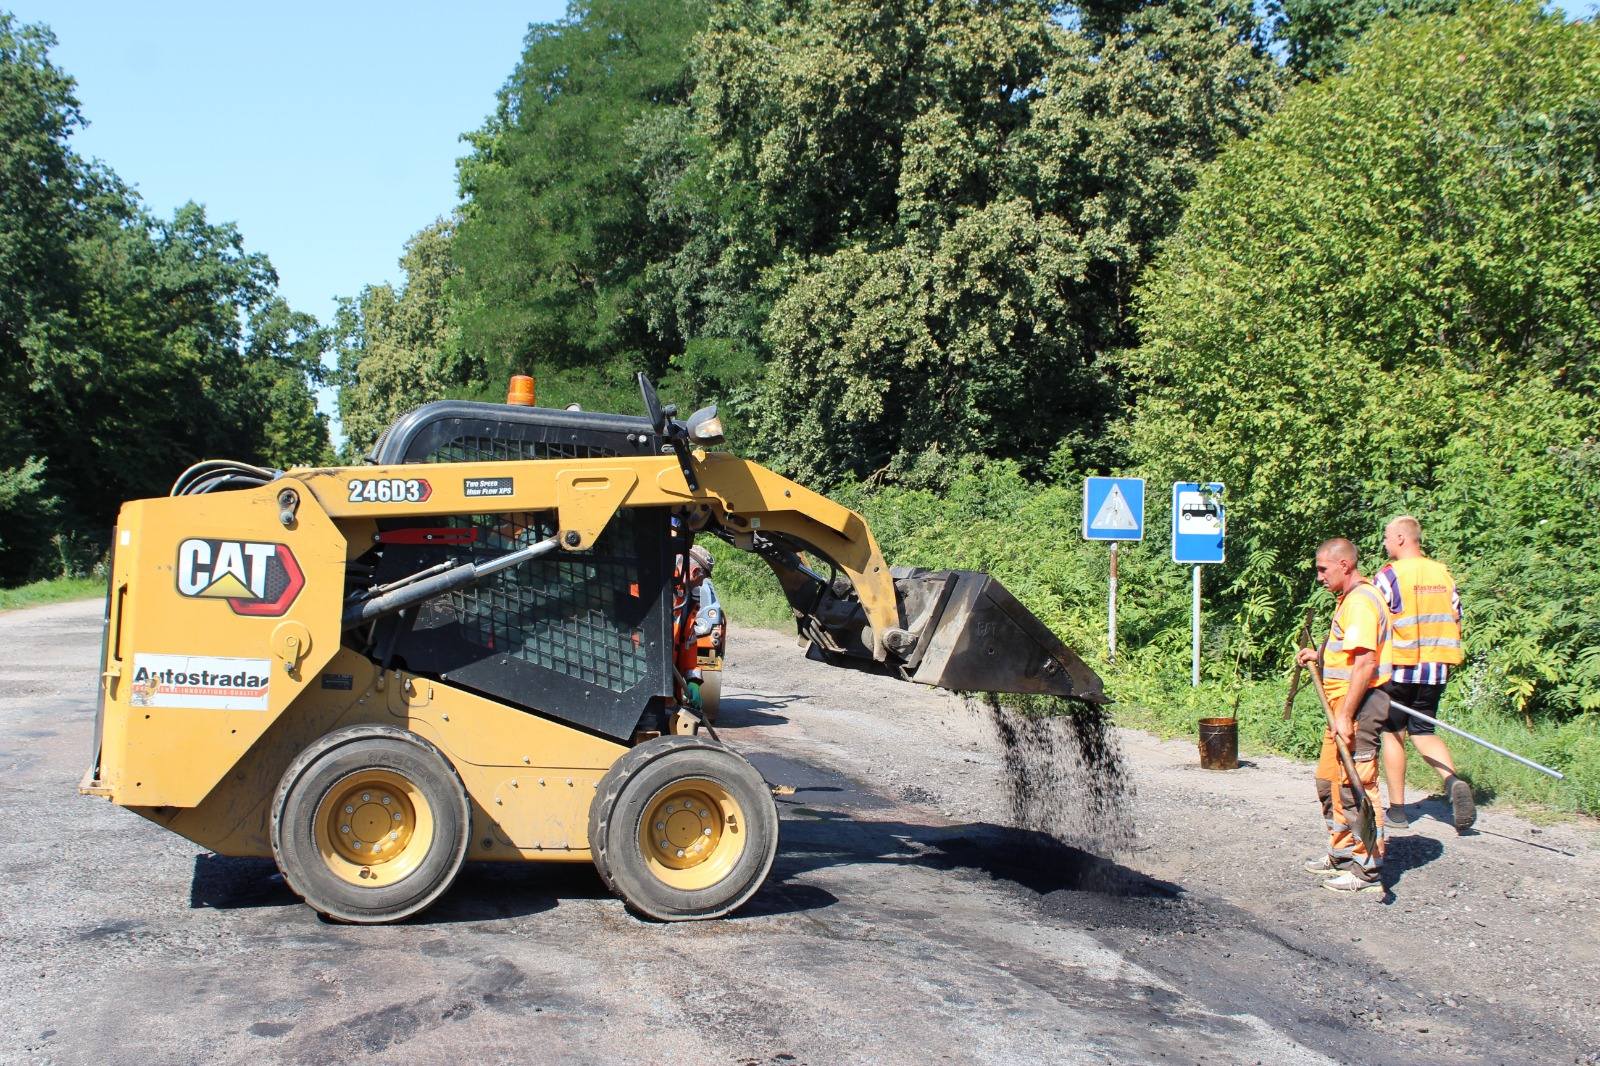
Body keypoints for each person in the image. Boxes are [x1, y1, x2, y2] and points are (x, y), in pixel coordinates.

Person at [1296, 538, 1391, 895]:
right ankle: (1341, 852)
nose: (1319, 576)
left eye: (1323, 568)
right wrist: (1317, 656)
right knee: (1328, 782)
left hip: (1359, 707)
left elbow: (1365, 664)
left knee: (1357, 786)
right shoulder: (1348, 601)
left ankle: (1367, 870)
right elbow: (1347, 655)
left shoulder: (1363, 602)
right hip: (1339, 708)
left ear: (1344, 565)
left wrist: (1346, 716)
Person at [1374, 515, 1473, 831]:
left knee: (1392, 733)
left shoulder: (1390, 575)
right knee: (1424, 731)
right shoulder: (1442, 574)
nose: (1385, 543)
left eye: (1388, 537)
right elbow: (1456, 617)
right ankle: (1452, 780)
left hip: (1400, 668)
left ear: (1402, 538)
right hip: (1436, 669)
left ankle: (1399, 811)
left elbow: (1374, 620)